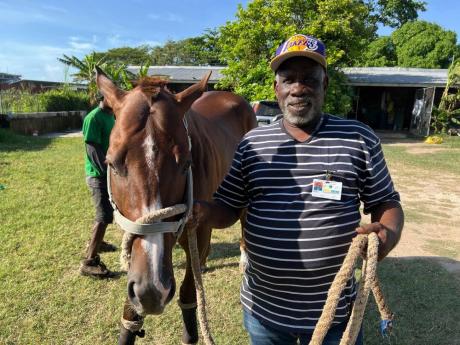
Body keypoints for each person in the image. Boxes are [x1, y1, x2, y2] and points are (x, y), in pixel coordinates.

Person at [192, 34, 404, 345]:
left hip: (335, 318)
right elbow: (228, 207)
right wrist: (202, 212)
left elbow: (386, 201)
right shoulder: (252, 144)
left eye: (310, 79)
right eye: (288, 78)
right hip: (264, 316)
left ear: (325, 84)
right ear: (276, 88)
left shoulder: (358, 138)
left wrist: (389, 232)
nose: (298, 88)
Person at [79, 97, 116, 278]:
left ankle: (99, 242)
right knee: (103, 216)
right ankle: (89, 262)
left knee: (108, 213)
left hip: (109, 173)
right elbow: (92, 148)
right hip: (97, 175)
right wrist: (106, 171)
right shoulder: (93, 118)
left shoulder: (111, 116)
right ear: (105, 97)